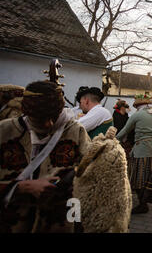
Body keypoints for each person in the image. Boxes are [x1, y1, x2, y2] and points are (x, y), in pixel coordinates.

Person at [0, 81, 90, 232]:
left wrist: (76, 222)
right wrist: (20, 187)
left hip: (62, 222)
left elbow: (89, 174)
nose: (48, 124)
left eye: (54, 117)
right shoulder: (5, 131)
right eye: (40, 118)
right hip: (13, 222)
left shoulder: (76, 131)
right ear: (25, 112)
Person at [116, 94, 152, 214]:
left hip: (141, 151)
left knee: (137, 179)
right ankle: (148, 201)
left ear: (138, 105)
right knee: (149, 177)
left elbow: (125, 130)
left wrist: (114, 140)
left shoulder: (137, 115)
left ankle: (143, 205)